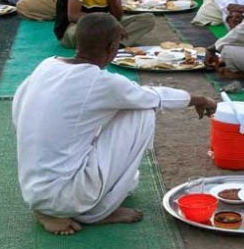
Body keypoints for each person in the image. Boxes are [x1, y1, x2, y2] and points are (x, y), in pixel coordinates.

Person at [14, 12, 217, 235]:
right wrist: (201, 99)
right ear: (112, 47)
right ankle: (99, 212)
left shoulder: (47, 66)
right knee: (142, 111)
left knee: (112, 125)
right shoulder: (99, 82)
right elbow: (155, 97)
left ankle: (50, 208)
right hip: (66, 195)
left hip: (34, 190)